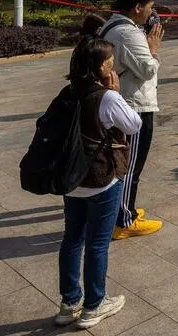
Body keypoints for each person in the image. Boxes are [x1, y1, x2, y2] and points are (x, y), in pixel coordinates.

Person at [55, 37, 140, 329]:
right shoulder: (107, 96)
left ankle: (69, 303)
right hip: (101, 178)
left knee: (72, 239)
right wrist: (116, 92)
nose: (113, 64)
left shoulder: (68, 92)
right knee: (97, 244)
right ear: (101, 66)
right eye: (110, 61)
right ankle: (94, 305)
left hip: (72, 178)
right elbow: (133, 124)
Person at [99, 0, 163, 239]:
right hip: (134, 107)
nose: (152, 12)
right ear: (137, 7)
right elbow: (147, 69)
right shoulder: (129, 33)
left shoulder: (112, 25)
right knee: (130, 165)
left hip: (121, 102)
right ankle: (123, 220)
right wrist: (154, 50)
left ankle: (122, 209)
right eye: (150, 7)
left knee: (122, 162)